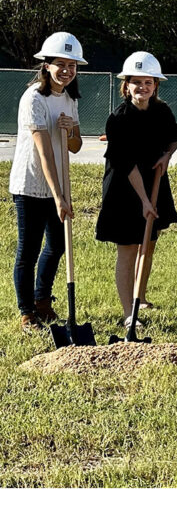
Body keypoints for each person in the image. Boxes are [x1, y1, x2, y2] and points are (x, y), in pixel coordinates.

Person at [95, 52, 177, 325]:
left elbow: (174, 136)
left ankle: (141, 297)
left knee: (149, 242)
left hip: (154, 181)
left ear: (155, 85)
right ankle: (128, 313)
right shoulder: (119, 119)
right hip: (124, 188)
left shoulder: (161, 111)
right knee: (129, 247)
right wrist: (145, 201)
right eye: (136, 82)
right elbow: (127, 164)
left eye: (148, 82)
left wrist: (167, 156)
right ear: (126, 85)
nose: (142, 87)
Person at [9, 33, 85, 333]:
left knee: (56, 246)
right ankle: (27, 312)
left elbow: (76, 146)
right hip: (30, 185)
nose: (66, 70)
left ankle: (43, 301)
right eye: (60, 64)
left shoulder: (70, 98)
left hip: (58, 185)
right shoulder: (33, 98)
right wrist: (58, 197)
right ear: (46, 65)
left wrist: (70, 131)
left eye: (72, 65)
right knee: (28, 250)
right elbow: (43, 152)